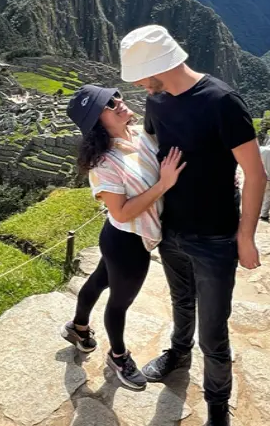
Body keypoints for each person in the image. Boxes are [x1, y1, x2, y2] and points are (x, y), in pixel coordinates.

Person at [120, 25, 267, 426]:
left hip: (216, 236)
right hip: (173, 229)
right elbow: (151, 149)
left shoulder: (222, 102)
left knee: (214, 332)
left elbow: (255, 174)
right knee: (181, 302)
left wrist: (246, 237)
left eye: (141, 77)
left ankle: (217, 409)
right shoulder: (157, 101)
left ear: (158, 66)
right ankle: (178, 354)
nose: (139, 86)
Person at [61, 84, 186, 390]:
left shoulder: (140, 135)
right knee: (119, 303)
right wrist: (163, 185)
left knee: (98, 281)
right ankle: (118, 356)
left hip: (117, 238)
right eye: (107, 104)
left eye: (115, 96)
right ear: (97, 122)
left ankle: (78, 327)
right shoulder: (104, 164)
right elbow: (121, 212)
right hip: (127, 243)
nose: (117, 102)